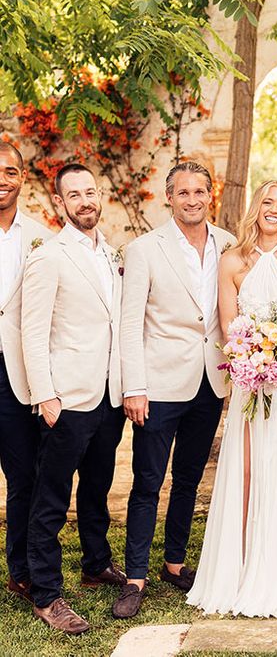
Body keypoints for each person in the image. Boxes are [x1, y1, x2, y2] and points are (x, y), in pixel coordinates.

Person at [187, 180, 277, 617]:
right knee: (249, 472)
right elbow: (230, 330)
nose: (274, 210)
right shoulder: (233, 260)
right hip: (252, 386)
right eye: (267, 202)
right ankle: (246, 563)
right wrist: (248, 364)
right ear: (256, 208)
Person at [112, 162, 236, 619]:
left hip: (211, 379)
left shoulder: (228, 244)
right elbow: (130, 322)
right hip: (159, 385)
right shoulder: (143, 249)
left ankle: (174, 562)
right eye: (183, 192)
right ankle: (135, 577)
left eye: (200, 191)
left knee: (188, 478)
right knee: (147, 481)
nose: (192, 199)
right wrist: (135, 387)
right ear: (170, 198)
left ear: (210, 195)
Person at [22, 163, 126, 634]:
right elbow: (33, 330)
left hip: (108, 397)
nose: (85, 201)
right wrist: (46, 395)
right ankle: (45, 593)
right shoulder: (49, 255)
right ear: (60, 203)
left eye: (91, 191)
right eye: (74, 195)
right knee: (50, 497)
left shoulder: (110, 252)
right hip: (66, 398)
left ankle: (95, 563)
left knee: (97, 487)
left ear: (99, 195)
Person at [0, 142, 54, 603]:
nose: (2, 178)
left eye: (10, 171)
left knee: (24, 476)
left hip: (15, 372)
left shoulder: (41, 236)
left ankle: (21, 569)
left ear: (23, 178)